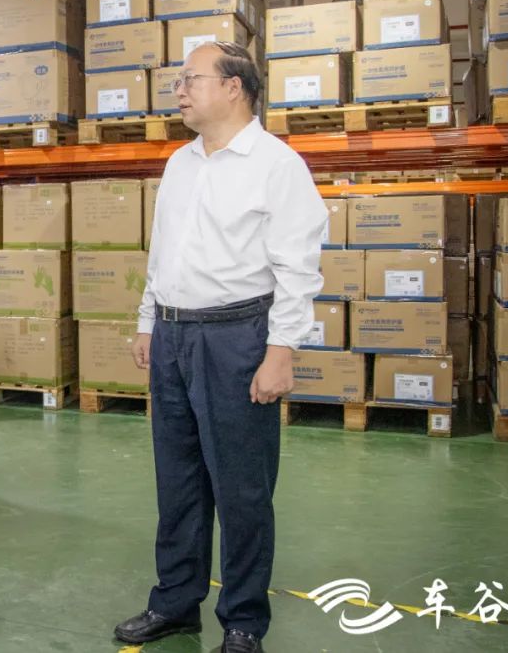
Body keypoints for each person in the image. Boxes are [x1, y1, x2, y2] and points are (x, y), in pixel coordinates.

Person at [113, 42, 327, 653]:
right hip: (174, 335)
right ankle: (176, 603)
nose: (179, 90)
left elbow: (297, 268)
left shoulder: (276, 165)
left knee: (241, 487)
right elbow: (163, 252)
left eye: (191, 79)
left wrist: (281, 349)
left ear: (234, 87)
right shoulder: (181, 162)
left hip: (236, 337)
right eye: (178, 81)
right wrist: (149, 321)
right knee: (178, 480)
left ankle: (243, 619)